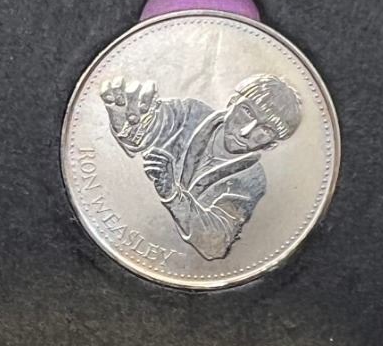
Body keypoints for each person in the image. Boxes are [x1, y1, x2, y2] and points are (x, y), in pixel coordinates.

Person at [102, 72, 302, 261]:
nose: (246, 132)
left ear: (271, 145)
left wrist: (172, 193)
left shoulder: (252, 181)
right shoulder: (189, 114)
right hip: (119, 220)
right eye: (247, 112)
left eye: (266, 130)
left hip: (170, 254)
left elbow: (215, 243)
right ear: (232, 102)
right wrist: (127, 123)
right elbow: (150, 126)